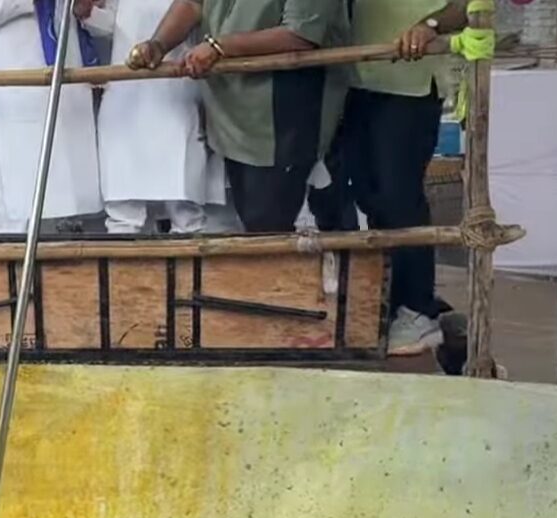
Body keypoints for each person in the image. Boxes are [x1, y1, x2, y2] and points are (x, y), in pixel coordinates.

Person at [129, 0, 351, 234]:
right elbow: (193, 3)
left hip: (284, 112)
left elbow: (299, 35)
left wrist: (219, 47)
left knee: (268, 223)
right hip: (231, 112)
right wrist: (158, 44)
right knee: (253, 222)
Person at [345, 0, 467, 355]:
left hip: (410, 84)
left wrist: (429, 25)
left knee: (400, 197)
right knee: (370, 197)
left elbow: (469, 6)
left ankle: (418, 312)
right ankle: (398, 299)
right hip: (358, 76)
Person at [83, 0, 225, 235]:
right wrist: (88, 14)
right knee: (123, 213)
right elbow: (114, 26)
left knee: (186, 211)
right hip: (124, 97)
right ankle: (124, 272)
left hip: (178, 93)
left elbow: (208, 21)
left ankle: (190, 271)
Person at [0, 0, 103, 233]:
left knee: (69, 210)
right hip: (18, 96)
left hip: (67, 93)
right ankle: (14, 267)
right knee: (18, 210)